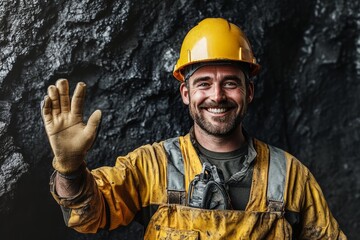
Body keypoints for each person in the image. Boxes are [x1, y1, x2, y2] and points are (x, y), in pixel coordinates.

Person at [41, 18, 346, 239]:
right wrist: (70, 170)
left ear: (248, 93)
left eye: (230, 83)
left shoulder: (290, 176)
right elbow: (90, 215)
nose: (217, 96)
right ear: (186, 94)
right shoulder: (153, 166)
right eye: (204, 83)